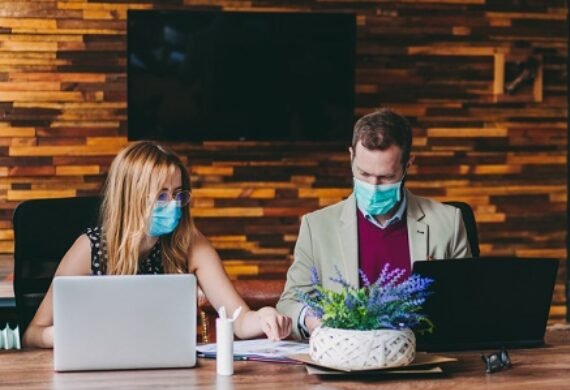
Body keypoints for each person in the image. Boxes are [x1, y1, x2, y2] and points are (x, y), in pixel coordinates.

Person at [24, 141, 291, 348]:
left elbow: (239, 320)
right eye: (161, 196)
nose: (173, 205)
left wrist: (263, 316)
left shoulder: (190, 243)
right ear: (131, 197)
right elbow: (33, 334)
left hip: (171, 375)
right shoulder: (90, 248)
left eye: (178, 194)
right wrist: (66, 336)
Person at [277, 109, 471, 339]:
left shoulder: (448, 222)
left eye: (386, 177)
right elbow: (289, 302)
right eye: (364, 173)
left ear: (408, 164)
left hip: (425, 359)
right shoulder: (316, 227)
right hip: (347, 362)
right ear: (351, 157)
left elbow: (468, 304)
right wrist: (309, 318)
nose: (374, 185)